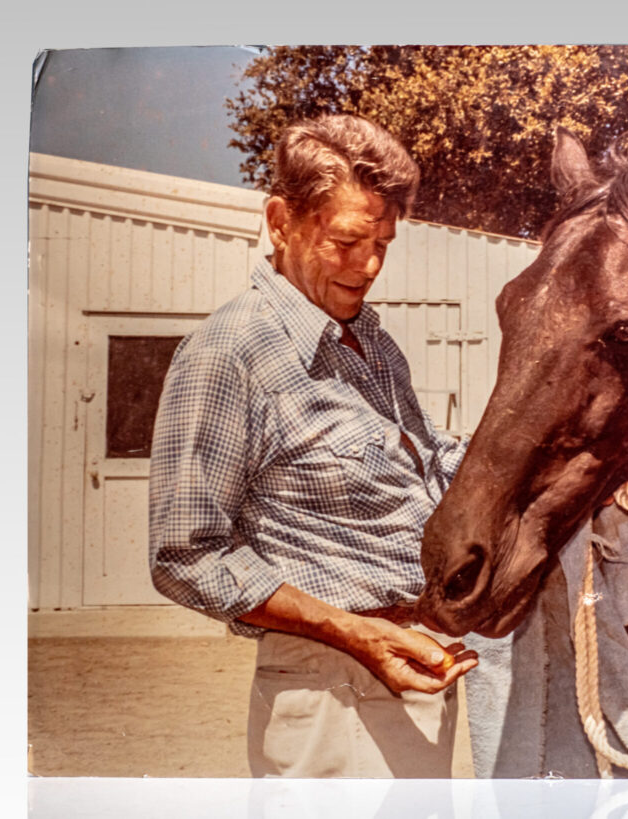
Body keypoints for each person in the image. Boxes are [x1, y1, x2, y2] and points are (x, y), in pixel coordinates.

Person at [148, 114, 478, 779]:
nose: (371, 266)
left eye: (383, 243)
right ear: (280, 221)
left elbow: (429, 461)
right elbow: (185, 553)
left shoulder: (371, 344)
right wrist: (355, 634)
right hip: (333, 687)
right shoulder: (229, 352)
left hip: (409, 665)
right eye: (347, 241)